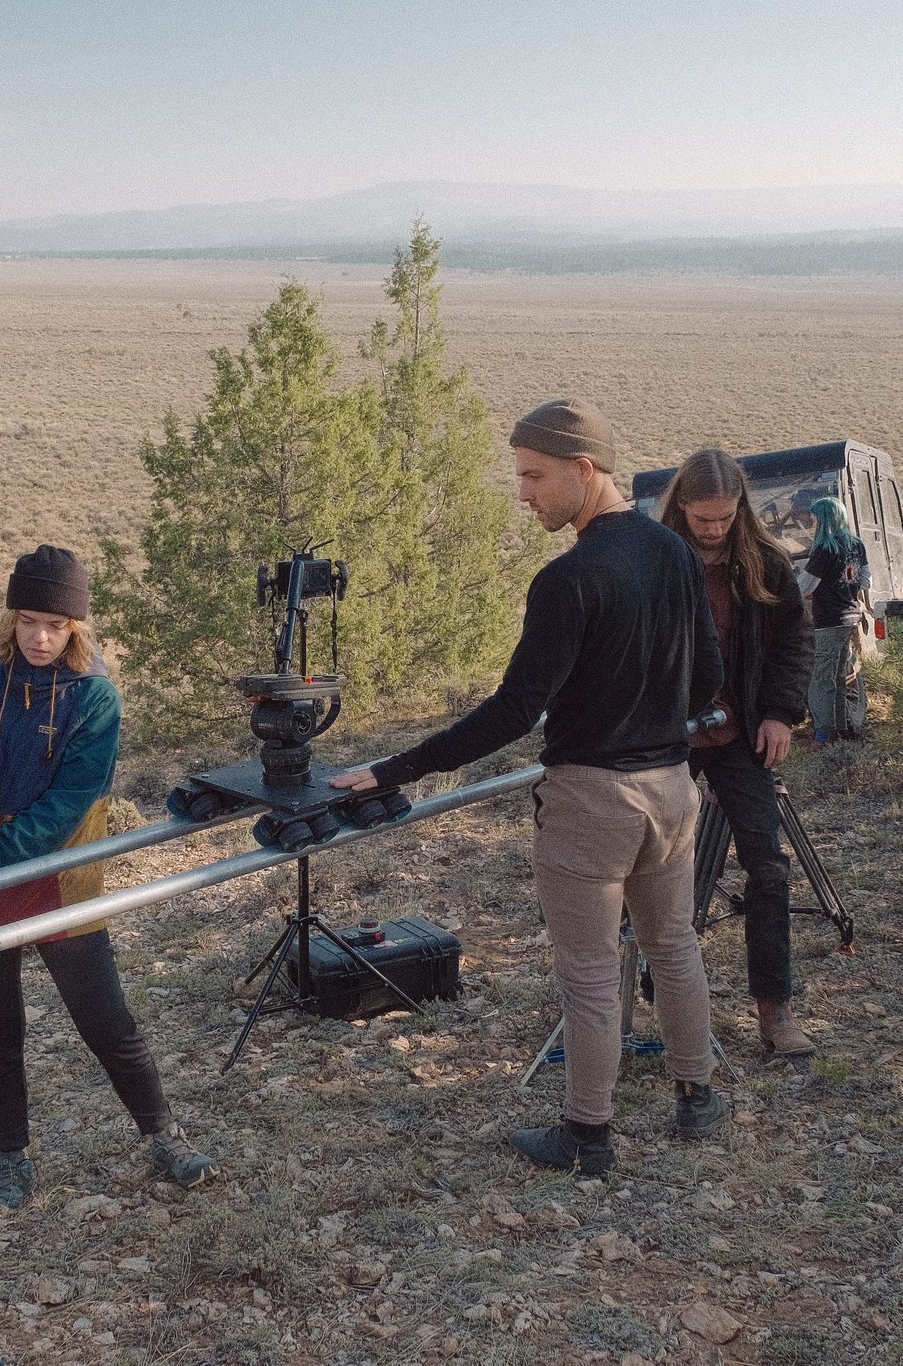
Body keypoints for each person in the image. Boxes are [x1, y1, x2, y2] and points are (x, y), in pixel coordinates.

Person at [330, 398, 728, 1176]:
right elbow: (707, 676)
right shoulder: (677, 555)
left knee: (587, 971)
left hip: (593, 801)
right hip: (675, 789)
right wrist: (650, 708)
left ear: (585, 470)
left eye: (533, 475)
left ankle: (588, 1135)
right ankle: (697, 1094)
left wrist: (391, 770)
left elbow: (514, 710)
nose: (523, 494)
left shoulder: (569, 578)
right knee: (673, 945)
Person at [0, 545, 216, 1214]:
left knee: (107, 1021)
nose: (41, 637)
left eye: (56, 623)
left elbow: (62, 811)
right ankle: (12, 1162)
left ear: (77, 626)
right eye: (28, 621)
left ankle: (163, 1136)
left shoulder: (95, 698)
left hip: (57, 872)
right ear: (11, 618)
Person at [658, 449, 821, 1058]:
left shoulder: (766, 563)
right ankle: (654, 988)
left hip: (738, 732)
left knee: (769, 869)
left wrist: (780, 712)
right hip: (664, 736)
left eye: (725, 518)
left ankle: (775, 1014)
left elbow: (793, 641)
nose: (714, 530)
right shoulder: (655, 557)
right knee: (652, 867)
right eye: (703, 518)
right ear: (681, 507)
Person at [803, 495, 870, 741]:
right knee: (843, 676)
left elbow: (805, 586)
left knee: (820, 680)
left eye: (814, 518)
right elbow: (866, 580)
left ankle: (823, 735)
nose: (811, 522)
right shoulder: (857, 545)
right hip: (851, 616)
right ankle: (845, 729)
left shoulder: (824, 549)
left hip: (829, 621)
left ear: (824, 519)